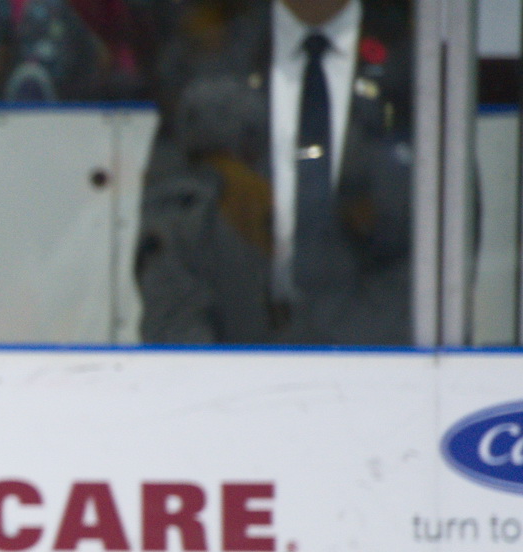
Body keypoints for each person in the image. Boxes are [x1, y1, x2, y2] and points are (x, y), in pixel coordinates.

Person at [134, 0, 413, 344]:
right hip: (228, 360)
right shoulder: (207, 57)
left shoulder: (416, 62)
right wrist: (203, 366)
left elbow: (433, 251)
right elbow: (167, 242)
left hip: (380, 363)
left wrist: (363, 364)